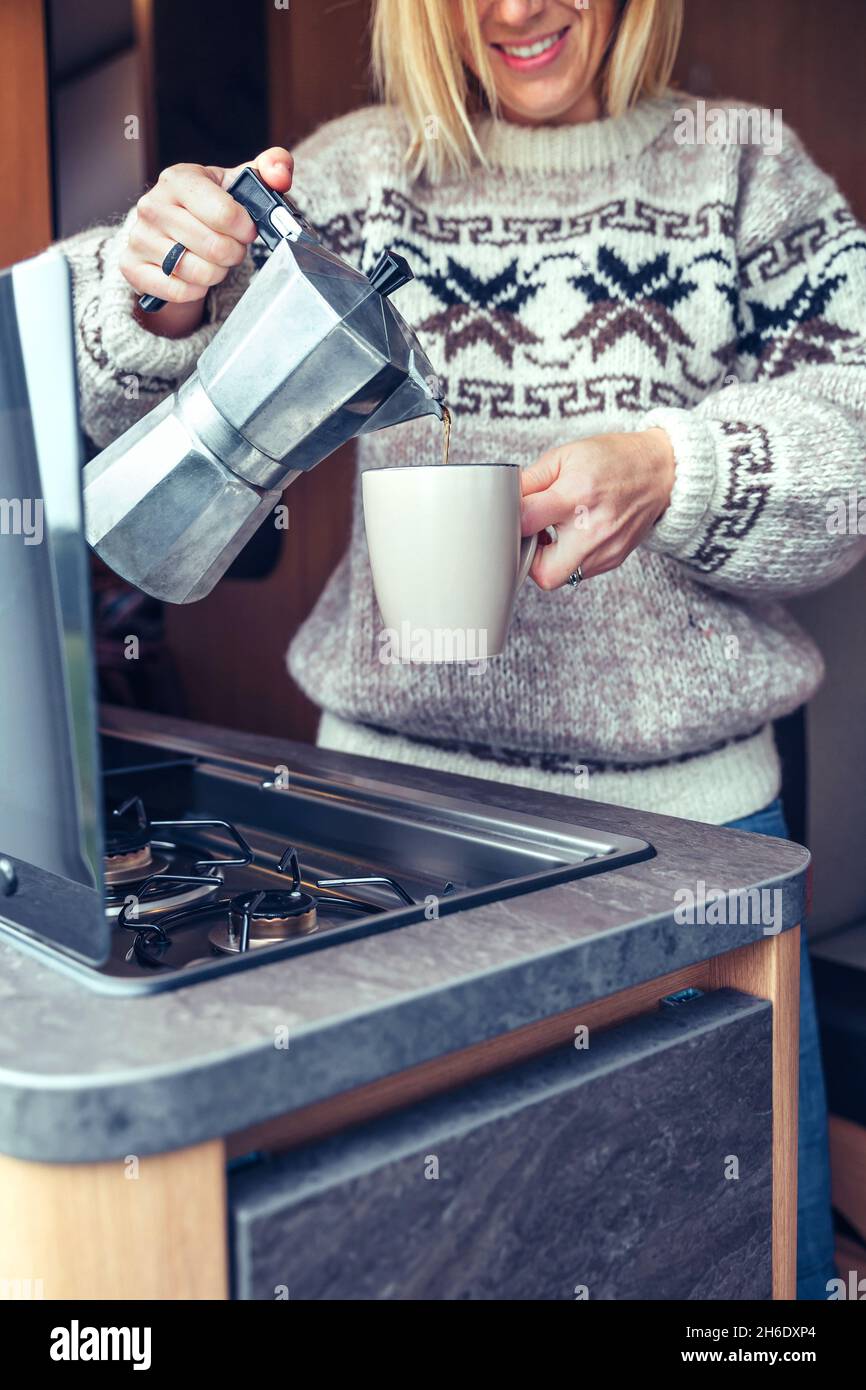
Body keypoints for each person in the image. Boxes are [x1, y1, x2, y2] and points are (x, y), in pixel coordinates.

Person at [63, 0, 866, 1298]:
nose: (511, 7)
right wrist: (148, 289)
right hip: (380, 821)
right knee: (422, 1254)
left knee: (725, 1265)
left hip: (689, 840)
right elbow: (79, 392)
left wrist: (680, 465)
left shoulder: (741, 165)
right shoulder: (359, 172)